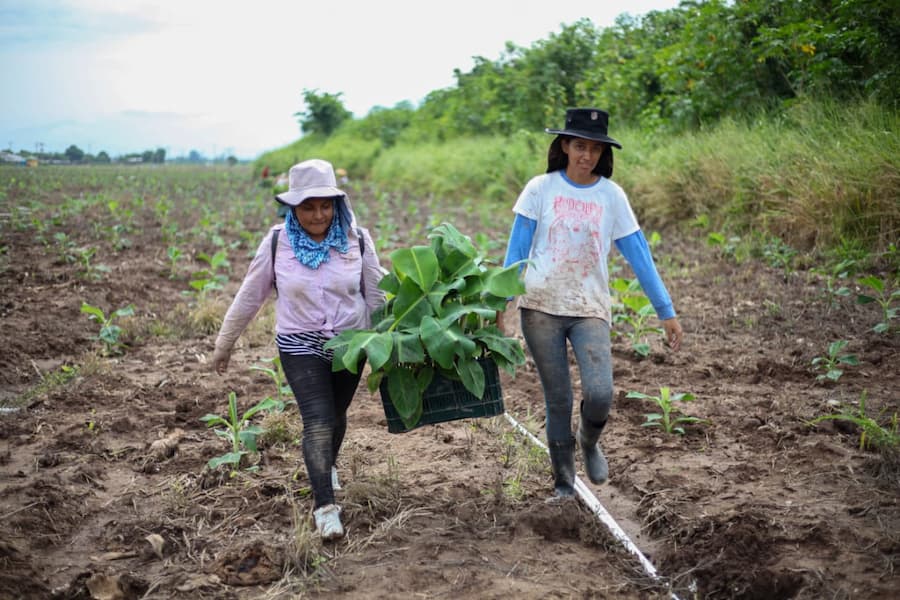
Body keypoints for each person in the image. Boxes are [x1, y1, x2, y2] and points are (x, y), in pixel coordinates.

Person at [497, 108, 684, 501]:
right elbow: (516, 253)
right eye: (579, 146)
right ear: (564, 145)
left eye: (595, 149)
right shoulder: (540, 189)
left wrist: (665, 310)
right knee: (559, 400)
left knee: (600, 392)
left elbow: (638, 254)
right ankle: (564, 485)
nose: (587, 155)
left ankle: (589, 440)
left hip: (589, 307)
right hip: (541, 307)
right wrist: (504, 306)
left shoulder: (611, 197)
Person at [211, 158, 386, 540]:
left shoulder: (357, 239)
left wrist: (389, 342)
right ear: (293, 207)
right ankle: (325, 507)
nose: (318, 214)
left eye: (325, 205)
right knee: (318, 420)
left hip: (350, 342)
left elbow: (375, 293)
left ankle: (326, 467)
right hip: (299, 343)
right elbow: (250, 295)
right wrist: (225, 344)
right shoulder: (278, 241)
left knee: (337, 417)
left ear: (337, 204)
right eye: (308, 206)